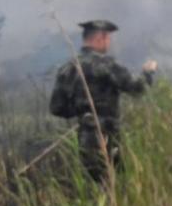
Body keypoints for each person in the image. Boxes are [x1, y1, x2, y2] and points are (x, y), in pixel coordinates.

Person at [49, 20, 157, 182]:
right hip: (109, 136)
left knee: (95, 184)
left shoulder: (68, 68)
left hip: (85, 137)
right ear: (100, 38)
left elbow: (56, 108)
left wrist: (83, 111)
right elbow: (136, 88)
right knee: (116, 182)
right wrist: (148, 73)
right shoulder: (107, 65)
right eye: (108, 39)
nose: (109, 43)